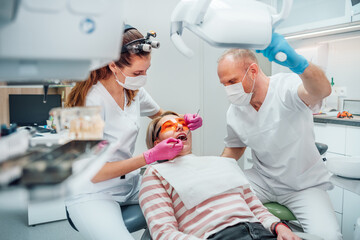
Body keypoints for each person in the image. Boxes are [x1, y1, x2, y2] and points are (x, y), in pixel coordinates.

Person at [64, 25, 203, 240]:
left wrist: (182, 120)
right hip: (93, 193)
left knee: (192, 204)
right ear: (112, 65)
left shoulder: (132, 90)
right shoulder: (87, 105)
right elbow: (95, 174)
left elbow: (160, 114)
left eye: (146, 70)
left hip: (129, 184)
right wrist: (150, 156)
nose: (143, 77)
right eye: (138, 73)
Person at [217, 33, 342, 240]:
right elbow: (234, 147)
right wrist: (214, 173)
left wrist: (299, 64)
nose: (229, 89)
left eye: (232, 81)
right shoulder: (235, 110)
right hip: (262, 180)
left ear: (253, 71)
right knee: (220, 208)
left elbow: (321, 91)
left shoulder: (286, 88)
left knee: (328, 237)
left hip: (303, 184)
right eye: (224, 84)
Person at [139, 111, 301, 240]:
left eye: (182, 123)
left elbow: (255, 208)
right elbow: (164, 232)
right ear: (157, 143)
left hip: (261, 231)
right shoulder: (155, 174)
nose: (180, 127)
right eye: (169, 126)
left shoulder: (221, 163)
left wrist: (280, 227)